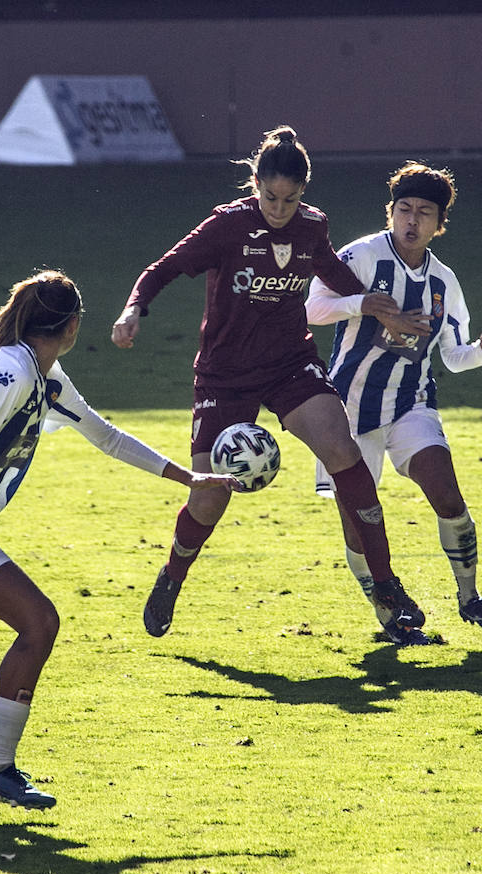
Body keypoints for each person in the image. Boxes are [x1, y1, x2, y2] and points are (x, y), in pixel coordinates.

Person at [0, 269, 234, 808]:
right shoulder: (9, 376)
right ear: (72, 326)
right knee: (39, 623)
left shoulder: (43, 375)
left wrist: (190, 478)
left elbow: (105, 435)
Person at [110, 125, 431, 645]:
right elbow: (163, 268)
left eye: (291, 198)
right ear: (254, 183)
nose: (279, 208)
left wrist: (380, 311)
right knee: (210, 498)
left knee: (343, 452)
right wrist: (132, 311)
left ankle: (387, 588)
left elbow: (333, 275)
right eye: (270, 197)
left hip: (289, 364)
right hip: (224, 375)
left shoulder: (311, 227)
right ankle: (173, 576)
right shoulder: (226, 226)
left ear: (304, 192)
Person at [306, 162, 482, 637]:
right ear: (391, 213)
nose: (412, 220)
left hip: (409, 404)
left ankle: (470, 597)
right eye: (404, 210)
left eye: (424, 213)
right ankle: (389, 615)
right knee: (358, 520)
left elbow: (455, 356)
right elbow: (313, 308)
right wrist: (365, 305)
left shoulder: (444, 282)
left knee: (446, 491)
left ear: (439, 224)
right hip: (347, 410)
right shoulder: (361, 256)